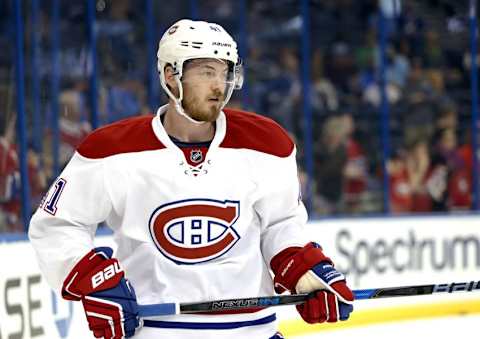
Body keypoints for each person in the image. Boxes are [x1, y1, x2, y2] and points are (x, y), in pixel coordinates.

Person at [29, 19, 354, 339]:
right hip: (156, 331)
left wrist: (304, 271)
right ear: (171, 76)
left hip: (253, 331)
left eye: (224, 72)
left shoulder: (267, 144)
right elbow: (58, 226)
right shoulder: (112, 151)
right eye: (205, 72)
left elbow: (281, 225)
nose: (218, 84)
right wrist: (93, 279)